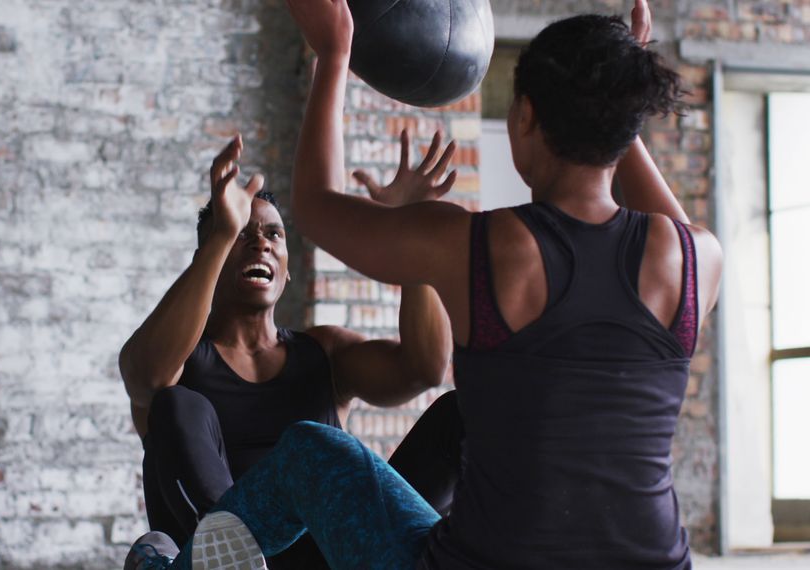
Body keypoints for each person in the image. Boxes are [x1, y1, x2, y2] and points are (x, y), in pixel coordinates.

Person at [127, 0, 723, 567]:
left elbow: (315, 204)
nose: (261, 244)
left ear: (525, 117)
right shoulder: (701, 259)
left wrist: (335, 53)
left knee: (312, 448)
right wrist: (624, 111)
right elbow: (670, 224)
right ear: (625, 125)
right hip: (656, 561)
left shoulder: (480, 245)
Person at [119, 132, 464, 569]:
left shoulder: (326, 353)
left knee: (458, 415)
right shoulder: (176, 360)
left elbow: (424, 368)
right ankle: (229, 552)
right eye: (241, 233)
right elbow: (144, 377)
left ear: (287, 274)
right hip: (225, 551)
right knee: (174, 403)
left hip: (325, 553)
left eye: (273, 235)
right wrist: (222, 231)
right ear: (210, 257)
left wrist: (413, 229)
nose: (260, 242)